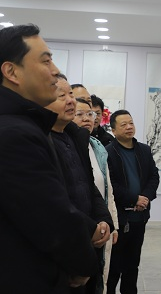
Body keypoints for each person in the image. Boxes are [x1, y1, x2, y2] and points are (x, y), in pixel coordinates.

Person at [0, 24, 98, 293]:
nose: (55, 70)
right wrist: (83, 264)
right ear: (12, 72)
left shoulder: (6, 125)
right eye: (46, 60)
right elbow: (50, 217)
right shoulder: (10, 134)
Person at [47, 76, 114, 294]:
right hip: (63, 248)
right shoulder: (41, 141)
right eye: (62, 96)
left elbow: (90, 186)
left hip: (88, 239)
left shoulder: (76, 138)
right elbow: (54, 203)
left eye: (71, 95)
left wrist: (104, 220)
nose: (71, 101)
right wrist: (92, 229)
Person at [106, 110, 159, 294]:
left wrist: (145, 198)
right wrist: (134, 199)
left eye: (131, 123)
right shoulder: (108, 153)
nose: (129, 127)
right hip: (119, 219)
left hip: (140, 217)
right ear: (113, 130)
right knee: (114, 267)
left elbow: (154, 177)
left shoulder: (144, 150)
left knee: (132, 265)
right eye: (123, 125)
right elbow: (111, 184)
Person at [74, 98, 119, 294]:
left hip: (102, 224)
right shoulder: (68, 146)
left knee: (101, 279)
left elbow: (107, 189)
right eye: (80, 114)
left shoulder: (97, 146)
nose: (87, 119)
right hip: (81, 228)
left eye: (90, 114)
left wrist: (112, 223)